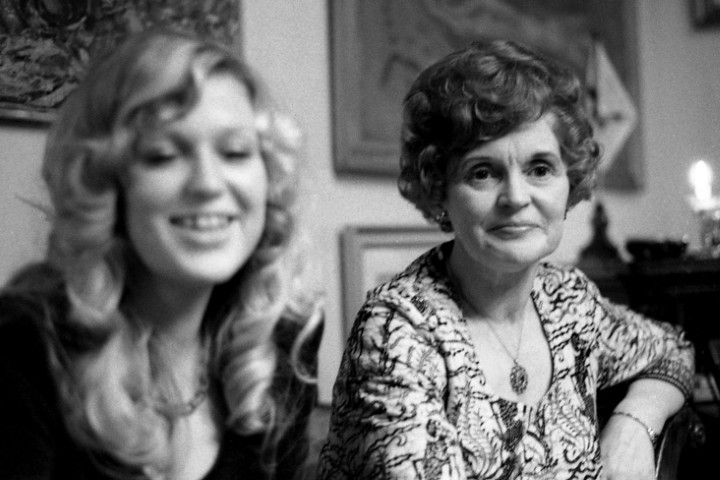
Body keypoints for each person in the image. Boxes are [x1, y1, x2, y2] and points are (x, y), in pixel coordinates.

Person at [318, 39, 694, 480]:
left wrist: (635, 420)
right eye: (483, 172)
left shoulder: (569, 301)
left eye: (540, 169)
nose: (516, 197)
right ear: (439, 190)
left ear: (570, 182)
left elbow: (674, 350)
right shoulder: (399, 331)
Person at [0, 29, 323, 480]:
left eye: (235, 152)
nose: (208, 183)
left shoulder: (282, 336)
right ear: (107, 185)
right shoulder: (23, 348)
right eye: (163, 155)